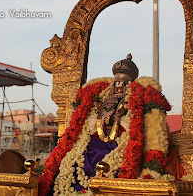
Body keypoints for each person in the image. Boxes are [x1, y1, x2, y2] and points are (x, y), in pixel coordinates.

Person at [39, 54, 172, 196]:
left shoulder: (136, 98)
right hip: (90, 145)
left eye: (124, 81)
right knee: (71, 164)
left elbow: (146, 133)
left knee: (112, 168)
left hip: (119, 148)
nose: (119, 84)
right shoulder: (102, 95)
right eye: (117, 80)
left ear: (130, 82)